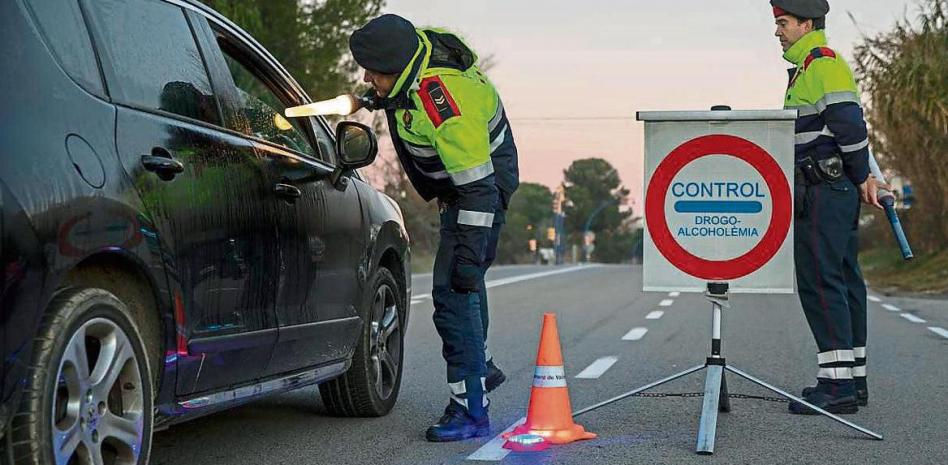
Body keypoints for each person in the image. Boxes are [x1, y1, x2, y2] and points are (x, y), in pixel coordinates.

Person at [348, 14, 519, 440]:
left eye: (373, 71)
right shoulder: (414, 58)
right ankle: (482, 368)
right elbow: (402, 88)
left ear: (396, 65)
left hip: (479, 188)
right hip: (462, 185)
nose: (367, 77)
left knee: (453, 291)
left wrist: (468, 251)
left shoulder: (443, 103)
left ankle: (470, 410)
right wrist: (380, 98)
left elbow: (479, 191)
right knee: (465, 283)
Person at [771, 0, 886, 414]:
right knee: (842, 280)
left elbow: (851, 127)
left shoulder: (821, 64)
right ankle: (850, 381)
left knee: (822, 282)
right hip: (833, 189)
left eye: (783, 23)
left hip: (823, 191)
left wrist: (861, 176)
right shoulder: (811, 66)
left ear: (806, 23)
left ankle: (837, 389)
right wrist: (861, 177)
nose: (778, 31)